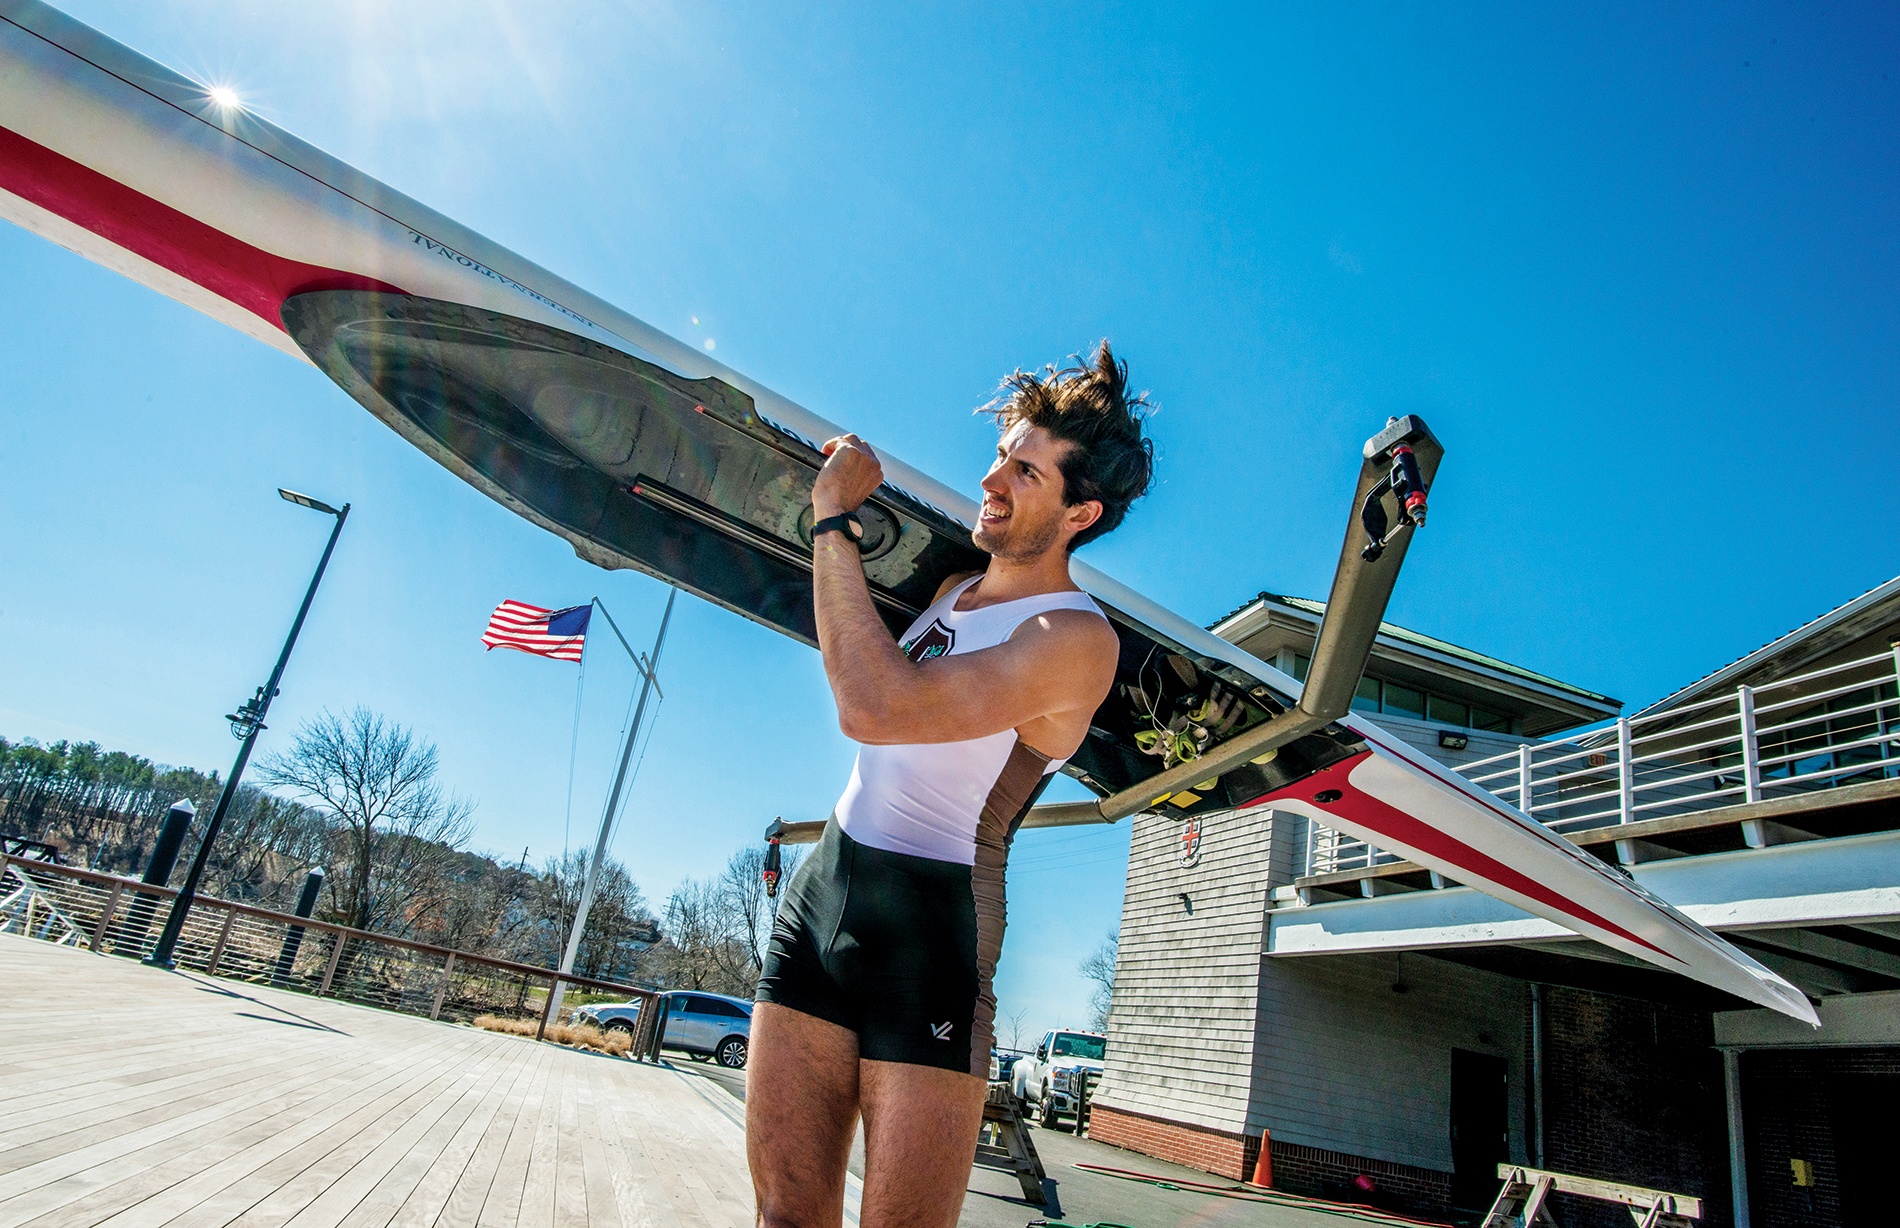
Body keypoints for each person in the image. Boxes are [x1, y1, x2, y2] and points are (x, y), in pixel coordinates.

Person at [747, 342, 1156, 1228]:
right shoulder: (952, 587)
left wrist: (831, 517)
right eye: (1001, 455)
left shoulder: (1074, 638)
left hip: (934, 935)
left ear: (1082, 512)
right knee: (783, 1217)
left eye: (1025, 472)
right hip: (824, 893)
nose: (991, 479)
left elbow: (873, 706)